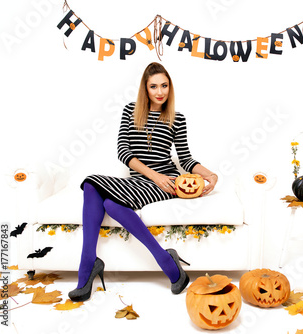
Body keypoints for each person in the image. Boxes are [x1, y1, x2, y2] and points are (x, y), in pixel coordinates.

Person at [69, 62, 218, 302]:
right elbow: (123, 152)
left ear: (170, 87)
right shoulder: (131, 111)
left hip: (167, 182)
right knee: (90, 183)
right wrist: (153, 175)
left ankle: (164, 261)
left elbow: (186, 159)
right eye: (153, 86)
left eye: (164, 86)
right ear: (145, 89)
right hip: (142, 179)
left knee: (113, 205)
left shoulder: (177, 119)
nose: (160, 92)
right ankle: (88, 262)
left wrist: (211, 174)